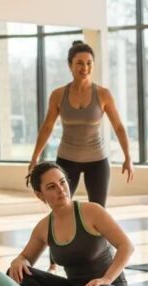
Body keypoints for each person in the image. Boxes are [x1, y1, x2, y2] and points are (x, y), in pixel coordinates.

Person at [8, 162, 133, 286]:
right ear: (40, 194)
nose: (61, 189)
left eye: (62, 182)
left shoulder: (92, 211)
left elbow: (126, 246)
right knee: (15, 274)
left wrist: (106, 279)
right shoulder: (44, 227)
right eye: (51, 187)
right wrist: (18, 260)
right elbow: (26, 259)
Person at [28, 40, 133, 206]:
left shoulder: (103, 94)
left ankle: (97, 234)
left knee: (98, 210)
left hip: (97, 161)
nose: (85, 68)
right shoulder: (58, 95)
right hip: (66, 160)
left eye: (89, 63)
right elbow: (47, 127)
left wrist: (128, 157)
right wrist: (34, 158)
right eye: (79, 63)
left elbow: (118, 127)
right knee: (62, 206)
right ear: (70, 65)